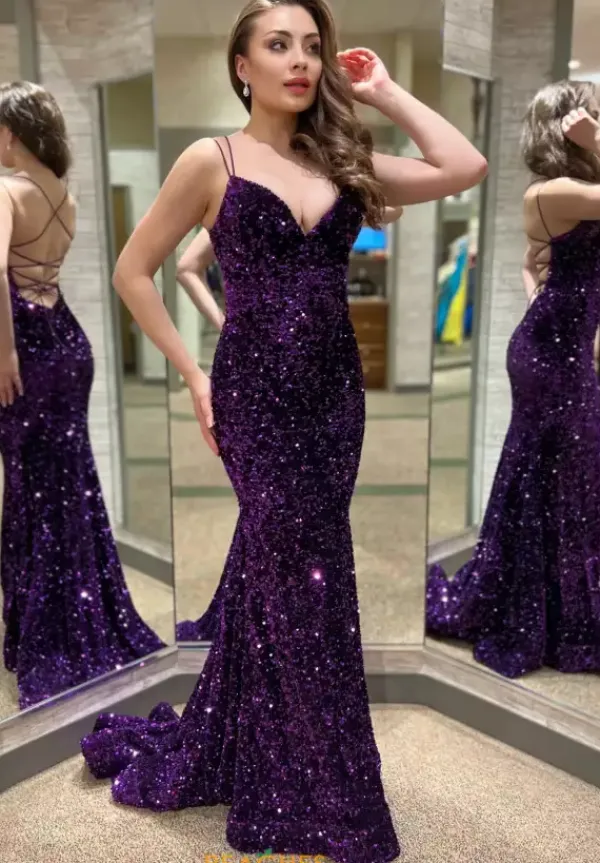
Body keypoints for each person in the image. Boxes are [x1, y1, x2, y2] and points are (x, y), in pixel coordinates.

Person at [80, 1, 486, 859]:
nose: (300, 60)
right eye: (278, 45)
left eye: (311, 47)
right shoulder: (212, 159)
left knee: (298, 566)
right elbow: (132, 270)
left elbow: (465, 165)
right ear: (243, 66)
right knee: (302, 576)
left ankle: (259, 738)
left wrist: (384, 91)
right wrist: (194, 373)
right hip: (253, 395)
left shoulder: (345, 160)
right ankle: (322, 781)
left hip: (335, 397)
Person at [427, 80, 600, 680]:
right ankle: (541, 610)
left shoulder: (576, 194)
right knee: (556, 471)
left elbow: (536, 266)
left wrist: (537, 293)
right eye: (593, 115)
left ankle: (556, 605)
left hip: (558, 348)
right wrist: (596, 143)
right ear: (567, 128)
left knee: (564, 472)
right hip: (551, 357)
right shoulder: (554, 191)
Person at [0, 82, 164, 709]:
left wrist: (5, 353)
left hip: (26, 351)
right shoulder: (64, 197)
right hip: (68, 345)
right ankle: (79, 616)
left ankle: (45, 634)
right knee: (68, 486)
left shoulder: (8, 190)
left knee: (31, 489)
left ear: (11, 133)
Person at [175, 203, 407, 642]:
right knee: (275, 512)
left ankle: (276, 630)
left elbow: (187, 267)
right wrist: (229, 324)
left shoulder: (258, 203)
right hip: (273, 377)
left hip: (319, 380)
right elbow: (391, 209)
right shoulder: (244, 196)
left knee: (285, 512)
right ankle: (280, 637)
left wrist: (232, 322)